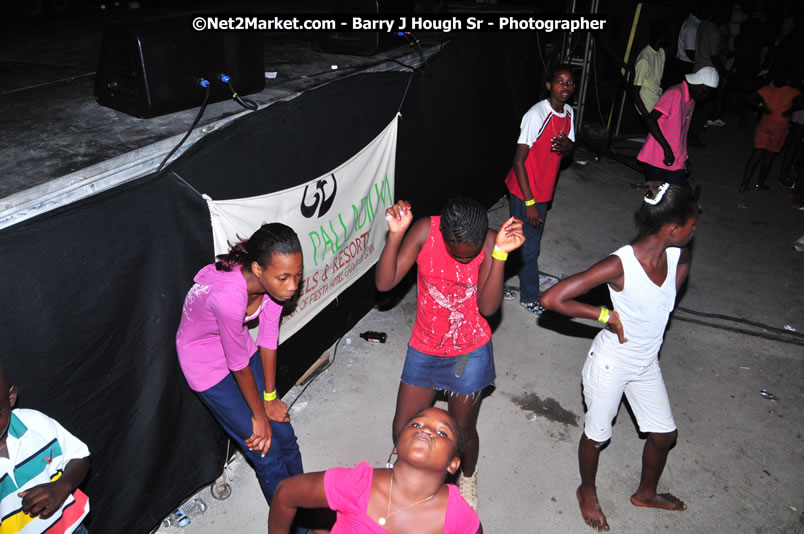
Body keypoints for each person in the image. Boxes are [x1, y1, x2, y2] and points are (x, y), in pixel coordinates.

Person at [541, 182, 698, 532]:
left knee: (664, 435)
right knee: (597, 436)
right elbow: (552, 298)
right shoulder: (621, 263)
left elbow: (668, 292)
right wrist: (605, 315)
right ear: (672, 228)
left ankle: (646, 493)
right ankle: (587, 490)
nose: (695, 229)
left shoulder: (678, 254)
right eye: (692, 223)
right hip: (611, 363)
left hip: (645, 363)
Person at [374, 197, 524, 509]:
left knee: (463, 430)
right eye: (457, 255)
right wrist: (397, 234)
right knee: (402, 428)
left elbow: (488, 307)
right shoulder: (426, 231)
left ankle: (468, 476)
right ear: (444, 236)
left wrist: (498, 255)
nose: (464, 262)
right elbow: (385, 282)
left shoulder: (493, 242)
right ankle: (405, 480)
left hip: (469, 351)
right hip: (425, 346)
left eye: (471, 256)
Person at [175, 223, 306, 510]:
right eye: (284, 277)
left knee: (284, 434)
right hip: (205, 363)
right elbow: (236, 365)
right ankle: (293, 527)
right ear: (258, 269)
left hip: (238, 349)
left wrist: (270, 399)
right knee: (265, 450)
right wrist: (258, 416)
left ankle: (308, 502)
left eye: (297, 275)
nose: (293, 286)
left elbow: (268, 338)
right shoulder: (228, 296)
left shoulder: (274, 287)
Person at [268, 407, 482, 533]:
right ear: (396, 447)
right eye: (416, 425)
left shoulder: (458, 516)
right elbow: (285, 493)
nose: (426, 430)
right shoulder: (356, 485)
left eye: (443, 433)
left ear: (454, 464)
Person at [504, 63, 575, 317]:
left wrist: (568, 146)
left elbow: (568, 150)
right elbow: (518, 161)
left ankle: (494, 277)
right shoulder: (536, 114)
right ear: (549, 86)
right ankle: (530, 297)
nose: (565, 87)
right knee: (530, 245)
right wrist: (530, 202)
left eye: (569, 82)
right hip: (526, 191)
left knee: (517, 240)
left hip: (543, 191)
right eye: (559, 81)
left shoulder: (568, 113)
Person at [0, 361, 90, 534]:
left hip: (71, 529)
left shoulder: (35, 423)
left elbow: (79, 456)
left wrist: (62, 486)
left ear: (11, 398)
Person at [637, 67, 718, 185]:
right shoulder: (675, 93)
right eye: (704, 91)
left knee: (674, 196)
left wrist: (685, 157)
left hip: (676, 157)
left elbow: (681, 133)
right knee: (655, 197)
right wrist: (667, 149)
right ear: (697, 84)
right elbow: (651, 119)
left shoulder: (691, 101)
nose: (705, 96)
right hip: (658, 155)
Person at [739, 70, 803, 192]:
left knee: (756, 154)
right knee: (769, 156)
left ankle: (744, 184)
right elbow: (801, 103)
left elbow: (749, 98)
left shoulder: (768, 89)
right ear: (790, 81)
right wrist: (790, 110)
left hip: (764, 124)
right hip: (780, 128)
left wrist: (761, 106)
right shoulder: (793, 92)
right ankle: (759, 184)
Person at [632, 21, 671, 116]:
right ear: (660, 36)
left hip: (656, 97)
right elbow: (636, 91)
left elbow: (658, 79)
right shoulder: (644, 59)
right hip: (646, 102)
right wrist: (646, 115)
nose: (669, 37)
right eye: (667, 34)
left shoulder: (661, 52)